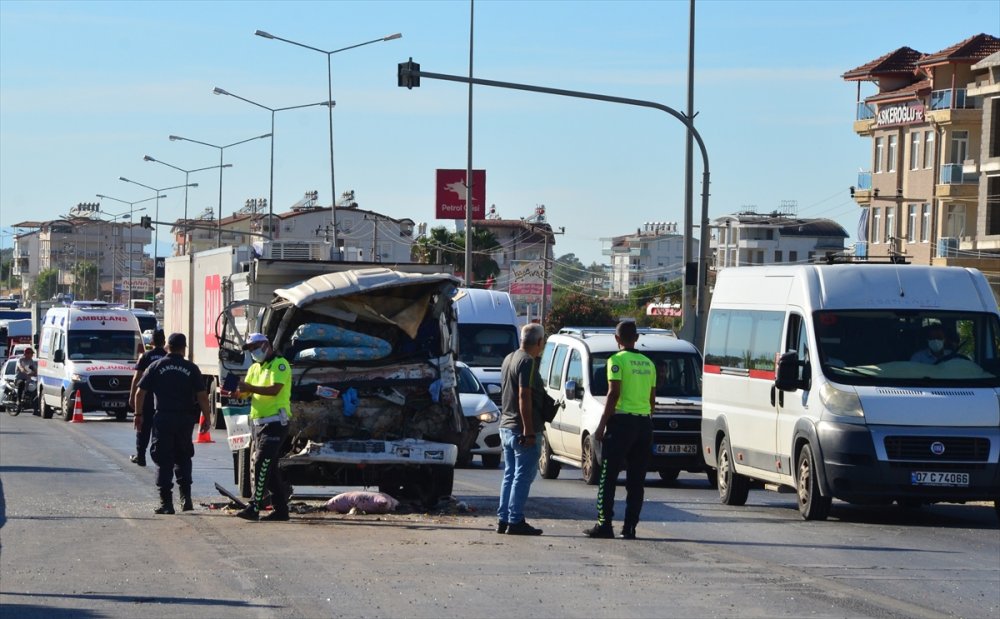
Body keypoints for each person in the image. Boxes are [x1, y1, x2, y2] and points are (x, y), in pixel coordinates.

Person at [584, 321, 656, 540]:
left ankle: (604, 524)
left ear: (617, 339)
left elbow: (613, 393)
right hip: (644, 424)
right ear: (636, 338)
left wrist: (602, 424)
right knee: (637, 480)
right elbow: (652, 400)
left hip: (622, 424)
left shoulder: (615, 361)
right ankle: (630, 527)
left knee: (608, 476)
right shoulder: (648, 364)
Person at [134, 333, 212, 515]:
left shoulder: (156, 366)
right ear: (184, 348)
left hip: (163, 418)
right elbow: (202, 396)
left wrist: (138, 414)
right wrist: (207, 418)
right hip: (185, 419)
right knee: (183, 456)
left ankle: (166, 503)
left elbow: (140, 392)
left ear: (167, 346)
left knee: (163, 459)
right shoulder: (191, 368)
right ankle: (186, 499)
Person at [235, 333, 293, 522]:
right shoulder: (253, 368)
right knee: (270, 467)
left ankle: (254, 506)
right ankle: (281, 511)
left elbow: (274, 389)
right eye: (250, 349)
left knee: (261, 462)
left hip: (276, 423)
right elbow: (245, 394)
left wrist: (250, 388)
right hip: (258, 424)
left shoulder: (280, 364)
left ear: (266, 345)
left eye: (255, 347)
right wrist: (237, 392)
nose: (253, 351)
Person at [496, 323, 547, 536]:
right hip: (521, 429)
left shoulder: (510, 358)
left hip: (506, 426)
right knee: (522, 476)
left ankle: (504, 518)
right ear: (539, 342)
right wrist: (528, 430)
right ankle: (515, 520)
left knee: (510, 474)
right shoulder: (527, 361)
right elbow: (523, 395)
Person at [128, 329, 167, 466]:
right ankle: (160, 457)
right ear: (164, 341)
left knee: (142, 428)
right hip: (161, 400)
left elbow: (136, 378)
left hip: (145, 398)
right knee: (160, 430)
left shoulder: (145, 356)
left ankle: (141, 456)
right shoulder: (167, 357)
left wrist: (132, 396)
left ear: (152, 341)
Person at [14, 347, 37, 413]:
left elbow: (34, 369)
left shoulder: (31, 361)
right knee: (21, 383)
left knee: (35, 386)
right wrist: (26, 372)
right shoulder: (21, 360)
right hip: (19, 379)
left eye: (32, 354)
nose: (32, 355)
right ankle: (18, 400)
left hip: (28, 380)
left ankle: (35, 408)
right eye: (31, 353)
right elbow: (21, 368)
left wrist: (35, 373)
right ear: (26, 354)